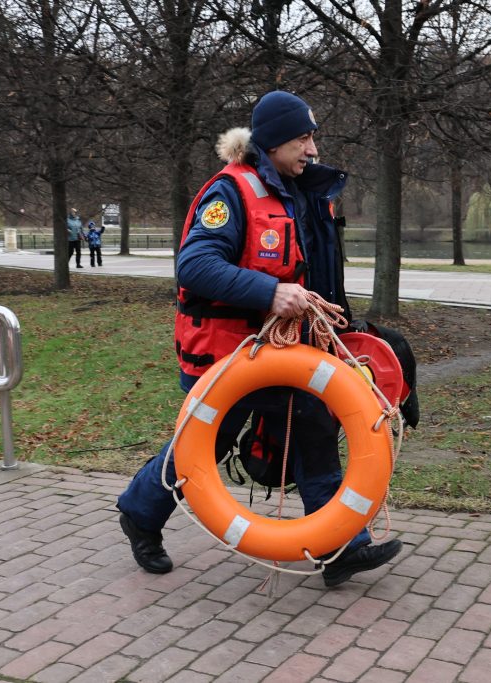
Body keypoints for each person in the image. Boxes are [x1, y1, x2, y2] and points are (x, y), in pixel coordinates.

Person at [117, 91, 401, 587]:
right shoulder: (229, 194)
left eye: (313, 138)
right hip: (225, 355)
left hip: (283, 353)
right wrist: (269, 292)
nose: (313, 150)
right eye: (302, 139)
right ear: (271, 143)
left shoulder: (299, 192)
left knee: (312, 426)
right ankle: (140, 515)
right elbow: (196, 265)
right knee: (210, 441)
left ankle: (340, 550)